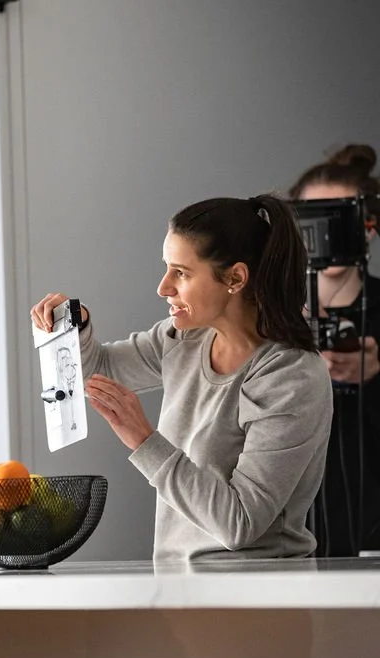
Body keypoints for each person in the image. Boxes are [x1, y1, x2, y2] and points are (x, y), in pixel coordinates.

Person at [31, 194, 332, 560]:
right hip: (181, 592)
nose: (163, 288)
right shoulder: (183, 339)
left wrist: (144, 440)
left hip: (260, 599)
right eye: (167, 268)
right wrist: (75, 330)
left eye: (182, 273)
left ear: (235, 278)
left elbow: (239, 523)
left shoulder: (291, 376)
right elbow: (99, 372)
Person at [289, 144, 380, 557]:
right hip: (286, 524)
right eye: (314, 220)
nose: (326, 234)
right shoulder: (261, 318)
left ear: (369, 225)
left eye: (341, 218)